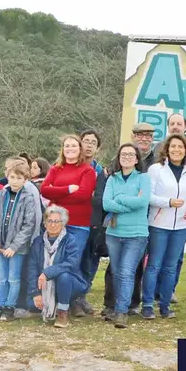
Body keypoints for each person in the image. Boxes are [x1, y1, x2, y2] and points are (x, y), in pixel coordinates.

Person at [39, 135, 97, 314]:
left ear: (80, 149)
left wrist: (57, 195)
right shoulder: (56, 169)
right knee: (53, 261)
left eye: (74, 146)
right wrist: (68, 189)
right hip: (55, 224)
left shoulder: (87, 171)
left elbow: (84, 195)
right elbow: (44, 190)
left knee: (73, 263)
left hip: (78, 224)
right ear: (62, 149)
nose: (70, 148)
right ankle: (53, 300)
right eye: (67, 146)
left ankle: (73, 301)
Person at [144, 134, 186, 320]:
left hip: (181, 225)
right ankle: (148, 305)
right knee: (154, 265)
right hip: (158, 224)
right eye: (173, 146)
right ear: (166, 149)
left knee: (171, 267)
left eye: (180, 147)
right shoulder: (155, 169)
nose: (177, 150)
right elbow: (148, 197)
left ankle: (165, 306)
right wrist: (168, 202)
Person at [102, 143, 152, 326]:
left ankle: (122, 311)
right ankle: (117, 306)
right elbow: (106, 203)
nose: (127, 157)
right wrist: (130, 202)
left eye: (131, 154)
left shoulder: (143, 178)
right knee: (116, 272)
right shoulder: (112, 179)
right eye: (123, 154)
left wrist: (120, 199)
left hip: (136, 234)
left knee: (127, 272)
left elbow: (142, 202)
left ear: (137, 159)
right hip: (114, 232)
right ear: (118, 157)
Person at [0, 162, 41, 321]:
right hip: (0, 245)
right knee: (2, 278)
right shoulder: (0, 195)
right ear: (7, 177)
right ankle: (0, 305)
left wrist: (15, 246)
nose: (15, 181)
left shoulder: (28, 197)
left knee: (13, 278)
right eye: (12, 177)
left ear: (25, 180)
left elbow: (28, 225)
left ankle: (10, 307)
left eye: (19, 178)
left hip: (17, 248)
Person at [28, 206, 90, 329]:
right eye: (50, 221)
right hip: (45, 285)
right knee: (30, 306)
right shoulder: (38, 242)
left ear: (63, 223)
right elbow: (32, 268)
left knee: (64, 276)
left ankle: (63, 311)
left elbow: (71, 264)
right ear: (44, 223)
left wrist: (47, 273)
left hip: (71, 283)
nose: (53, 225)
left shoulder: (71, 240)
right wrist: (35, 293)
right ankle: (53, 304)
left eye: (57, 221)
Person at [79, 129, 107, 316]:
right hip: (74, 219)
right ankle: (71, 296)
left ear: (97, 148)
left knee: (92, 259)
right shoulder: (71, 165)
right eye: (86, 141)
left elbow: (101, 196)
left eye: (93, 142)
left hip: (94, 220)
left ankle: (82, 295)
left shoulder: (101, 171)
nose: (88, 145)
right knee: (75, 259)